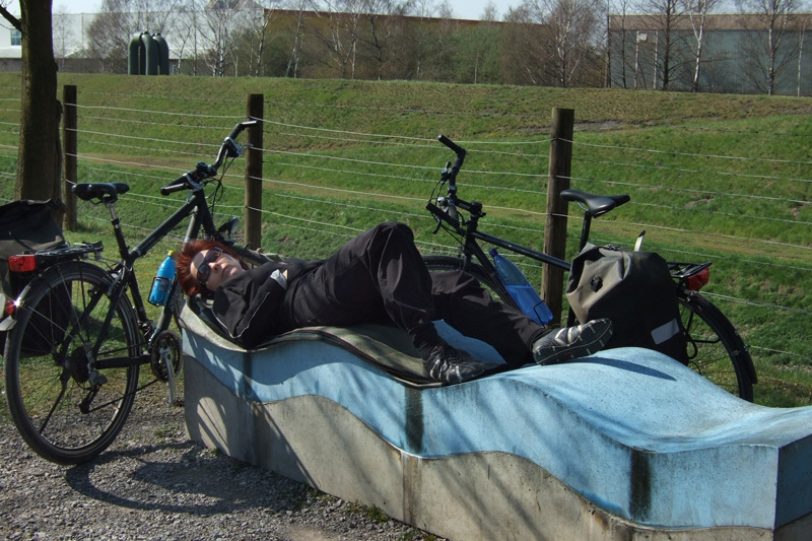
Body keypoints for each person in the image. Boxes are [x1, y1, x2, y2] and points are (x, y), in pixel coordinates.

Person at [176, 222, 612, 384]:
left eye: (214, 255)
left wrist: (279, 269)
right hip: (303, 304)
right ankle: (435, 352)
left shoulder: (255, 265)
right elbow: (247, 333)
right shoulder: (227, 300)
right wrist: (278, 277)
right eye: (205, 270)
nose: (215, 264)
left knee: (452, 281)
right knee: (384, 236)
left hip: (328, 290)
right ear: (206, 288)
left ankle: (536, 342)